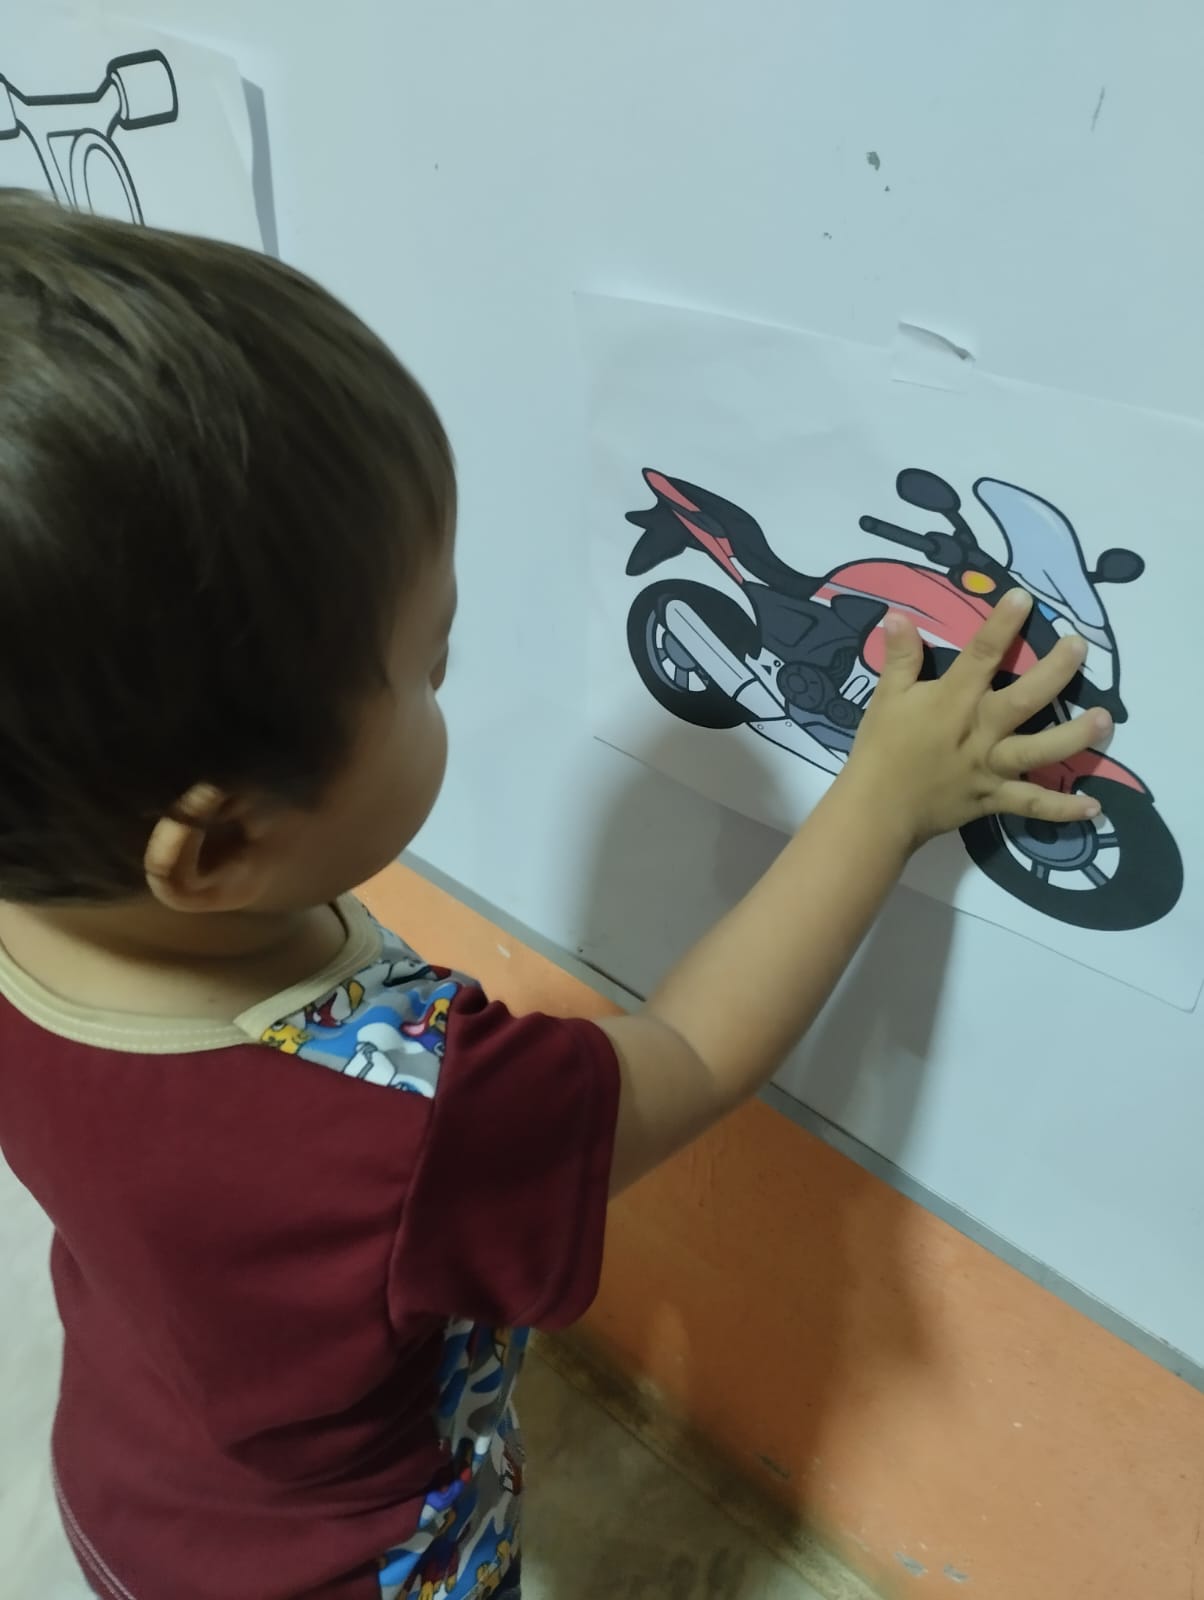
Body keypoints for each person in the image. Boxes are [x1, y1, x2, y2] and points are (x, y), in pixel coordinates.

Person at [0, 189, 1106, 1600]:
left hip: (133, 1493)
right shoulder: (413, 1123)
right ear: (217, 850)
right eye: (430, 663)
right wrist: (884, 798)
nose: (451, 676)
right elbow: (689, 1052)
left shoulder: (35, 887)